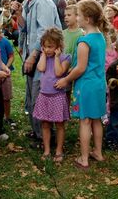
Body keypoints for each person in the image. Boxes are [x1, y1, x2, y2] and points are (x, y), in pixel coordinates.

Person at [55, 0, 108, 169]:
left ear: (88, 19)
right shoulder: (100, 37)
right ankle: (98, 152)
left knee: (85, 121)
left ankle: (84, 158)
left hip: (86, 86)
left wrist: (66, 79)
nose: (76, 18)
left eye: (78, 15)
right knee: (96, 120)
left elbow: (80, 68)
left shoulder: (84, 41)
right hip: (99, 84)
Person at [11, 0, 61, 145]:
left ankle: (46, 137)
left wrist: (32, 56)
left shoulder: (43, 3)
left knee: (41, 98)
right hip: (32, 57)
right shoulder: (29, 3)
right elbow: (25, 28)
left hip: (44, 60)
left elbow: (44, 33)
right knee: (32, 97)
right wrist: (18, 16)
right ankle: (37, 132)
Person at [33, 28, 71, 162]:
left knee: (59, 125)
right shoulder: (44, 57)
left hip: (57, 96)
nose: (47, 49)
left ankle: (59, 150)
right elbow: (41, 68)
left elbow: (59, 72)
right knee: (45, 124)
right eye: (44, 46)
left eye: (50, 47)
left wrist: (56, 57)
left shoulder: (65, 58)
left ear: (58, 46)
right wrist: (43, 54)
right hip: (44, 95)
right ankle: (47, 149)